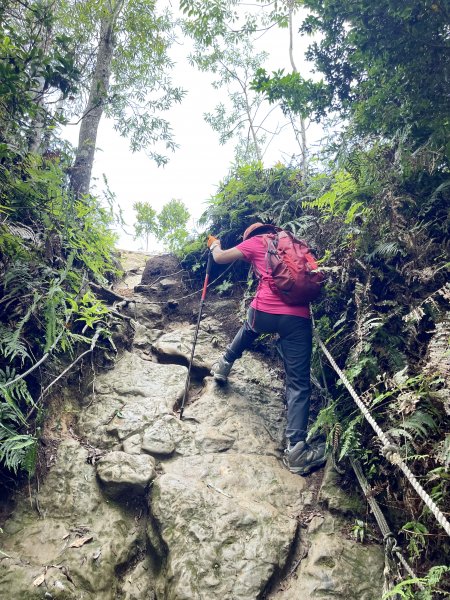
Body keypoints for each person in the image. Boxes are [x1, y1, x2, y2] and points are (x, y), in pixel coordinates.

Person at [207, 222, 326, 476]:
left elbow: (219, 258)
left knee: (249, 329)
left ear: (250, 236)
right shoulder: (290, 243)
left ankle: (223, 366)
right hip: (297, 318)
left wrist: (214, 244)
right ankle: (296, 450)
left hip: (264, 311)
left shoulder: (255, 243)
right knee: (298, 383)